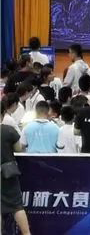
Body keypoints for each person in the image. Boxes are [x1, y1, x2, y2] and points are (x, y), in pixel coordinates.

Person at [1, 99, 31, 235]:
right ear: (3, 113)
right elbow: (18, 149)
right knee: (17, 205)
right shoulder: (9, 130)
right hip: (7, 173)